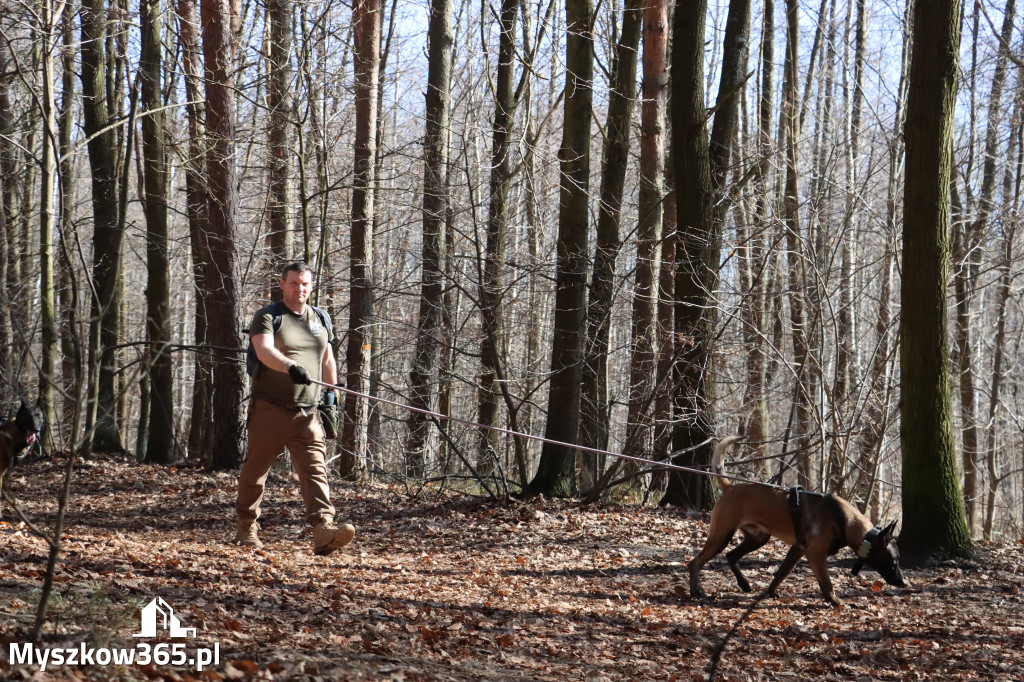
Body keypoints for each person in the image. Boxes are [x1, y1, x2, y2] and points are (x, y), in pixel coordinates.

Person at [234, 262, 356, 555]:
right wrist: (290, 366)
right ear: (282, 284)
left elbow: (327, 359)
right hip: (270, 409)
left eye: (304, 284)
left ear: (311, 287)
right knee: (256, 470)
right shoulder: (269, 315)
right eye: (293, 283)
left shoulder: (321, 318)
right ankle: (246, 526)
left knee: (315, 471)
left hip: (308, 412)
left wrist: (332, 396)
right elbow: (264, 350)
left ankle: (323, 529)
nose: (299, 289)